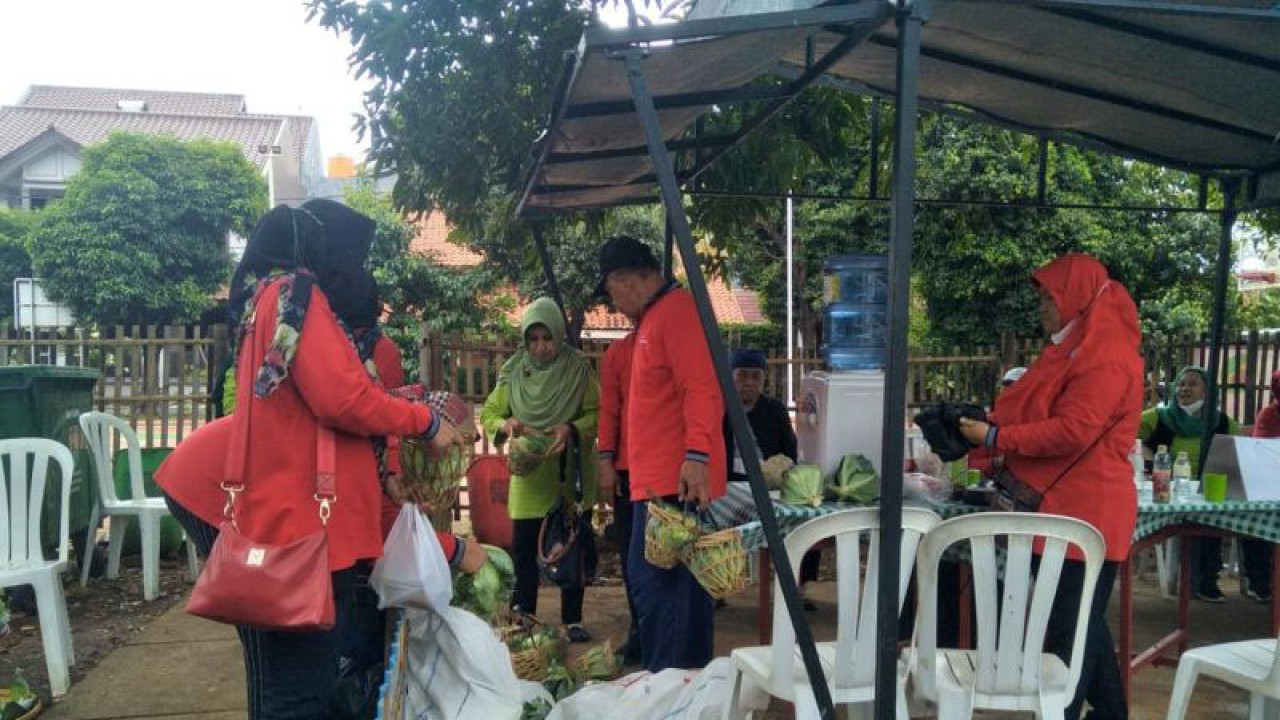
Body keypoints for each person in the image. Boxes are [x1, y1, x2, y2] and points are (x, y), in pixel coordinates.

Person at [156, 201, 486, 720]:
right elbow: (345, 398)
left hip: (307, 523)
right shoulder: (293, 298)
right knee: (291, 692)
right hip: (297, 525)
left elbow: (338, 399)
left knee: (301, 681)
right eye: (349, 252)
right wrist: (420, 422)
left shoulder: (279, 303)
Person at [959, 253, 1142, 720]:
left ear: (1077, 295)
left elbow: (1073, 430)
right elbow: (1034, 411)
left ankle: (1069, 712)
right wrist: (987, 425)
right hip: (1058, 509)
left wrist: (996, 437)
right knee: (1078, 625)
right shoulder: (1072, 348)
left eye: (1050, 295)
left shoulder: (1106, 355)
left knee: (1068, 634)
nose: (1041, 304)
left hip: (1088, 514)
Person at [596, 235, 726, 672]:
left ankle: (675, 692)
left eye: (611, 292)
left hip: (678, 485)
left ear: (625, 279)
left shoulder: (678, 312)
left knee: (669, 597)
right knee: (659, 595)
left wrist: (697, 455)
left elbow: (703, 387)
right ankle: (673, 689)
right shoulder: (654, 318)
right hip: (657, 483)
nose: (613, 303)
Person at [481, 296, 600, 644]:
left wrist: (571, 428)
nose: (541, 347)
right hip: (530, 477)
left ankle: (572, 620)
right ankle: (523, 617)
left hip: (570, 474)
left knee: (571, 548)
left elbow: (597, 413)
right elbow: (490, 413)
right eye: (533, 339)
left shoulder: (579, 370)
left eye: (547, 338)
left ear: (559, 336)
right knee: (523, 551)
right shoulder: (515, 371)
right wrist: (508, 425)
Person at [1138, 366, 1241, 603]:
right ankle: (1194, 582)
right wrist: (1150, 457)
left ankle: (1209, 581)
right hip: (1170, 490)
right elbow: (1127, 436)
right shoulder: (1158, 417)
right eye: (1181, 384)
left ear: (1208, 392)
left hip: (1209, 490)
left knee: (1212, 515)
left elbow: (1238, 451)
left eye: (1192, 384)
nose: (1184, 389)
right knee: (1195, 517)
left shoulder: (1223, 422)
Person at [721, 348, 813, 608]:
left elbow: (790, 449)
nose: (749, 383)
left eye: (756, 377)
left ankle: (797, 587)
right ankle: (714, 588)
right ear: (730, 377)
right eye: (742, 376)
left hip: (770, 481)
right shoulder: (718, 406)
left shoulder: (773, 409)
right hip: (729, 483)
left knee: (805, 517)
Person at [596, 330, 643, 663]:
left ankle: (662, 631)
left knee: (668, 558)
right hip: (628, 470)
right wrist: (605, 461)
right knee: (631, 556)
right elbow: (609, 409)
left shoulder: (676, 345)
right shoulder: (618, 352)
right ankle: (640, 629)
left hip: (671, 471)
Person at [1244, 369, 1280, 602]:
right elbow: (1264, 454)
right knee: (1254, 518)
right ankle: (1261, 583)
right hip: (1268, 486)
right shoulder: (1270, 415)